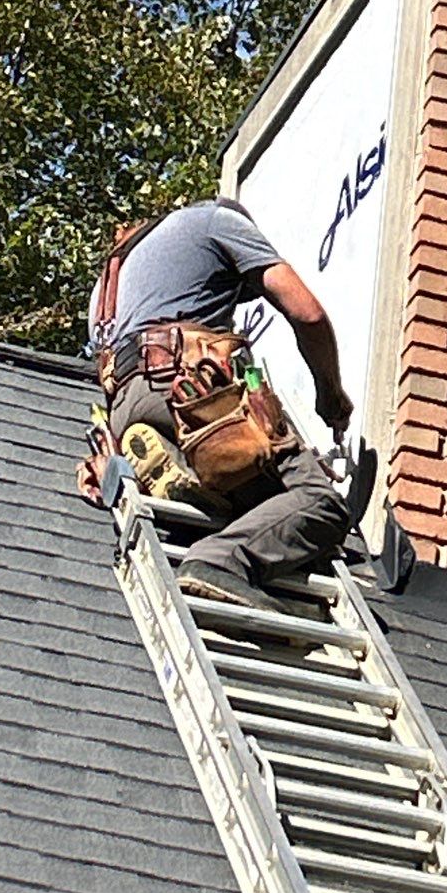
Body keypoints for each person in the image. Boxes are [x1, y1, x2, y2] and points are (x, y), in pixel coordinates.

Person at [90, 198, 353, 611]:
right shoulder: (219, 220)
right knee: (319, 503)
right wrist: (330, 393)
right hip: (191, 389)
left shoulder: (111, 282)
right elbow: (308, 314)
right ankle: (217, 562)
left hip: (126, 407)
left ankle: (192, 481)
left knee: (249, 495)